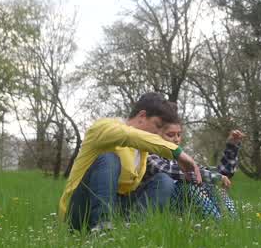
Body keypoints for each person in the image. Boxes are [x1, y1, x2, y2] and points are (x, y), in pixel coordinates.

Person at [58, 93, 202, 230]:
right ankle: (102, 227)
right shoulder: (103, 127)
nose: (159, 133)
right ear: (142, 116)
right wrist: (177, 153)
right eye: (158, 126)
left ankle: (132, 231)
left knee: (164, 181)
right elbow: (128, 136)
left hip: (117, 205)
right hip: (79, 209)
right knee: (109, 158)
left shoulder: (143, 150)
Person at [146, 125, 244, 219]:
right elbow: (172, 171)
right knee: (189, 184)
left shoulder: (179, 159)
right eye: (171, 135)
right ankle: (217, 222)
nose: (176, 139)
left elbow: (220, 174)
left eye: (179, 135)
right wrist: (214, 177)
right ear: (157, 137)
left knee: (211, 184)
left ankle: (231, 220)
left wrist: (232, 147)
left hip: (179, 207)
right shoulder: (150, 156)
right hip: (154, 206)